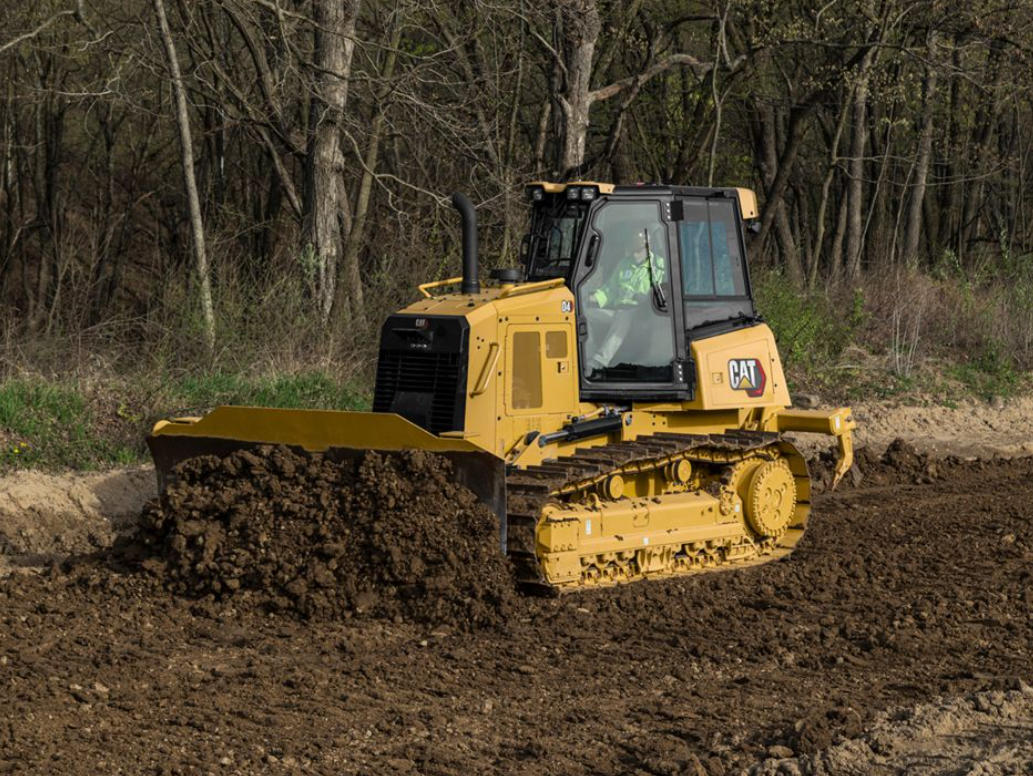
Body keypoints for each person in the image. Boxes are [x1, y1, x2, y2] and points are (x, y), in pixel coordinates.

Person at [584, 229, 667, 376]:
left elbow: (665, 292)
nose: (634, 253)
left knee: (623, 316)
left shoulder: (658, 265)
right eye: (632, 249)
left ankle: (599, 362)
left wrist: (645, 298)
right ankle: (587, 354)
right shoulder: (624, 264)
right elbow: (610, 289)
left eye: (637, 250)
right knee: (584, 313)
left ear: (646, 247)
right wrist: (591, 299)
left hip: (643, 313)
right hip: (618, 311)